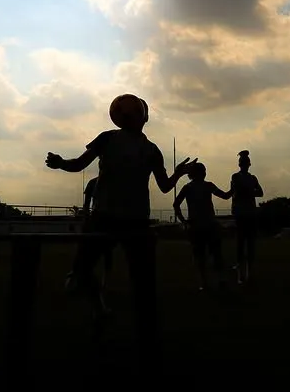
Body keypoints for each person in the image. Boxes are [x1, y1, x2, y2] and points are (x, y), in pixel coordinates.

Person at [45, 93, 195, 352]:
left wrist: (179, 173)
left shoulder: (150, 150)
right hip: (108, 218)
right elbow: (79, 164)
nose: (128, 117)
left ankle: (137, 329)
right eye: (126, 113)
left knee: (139, 280)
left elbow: (163, 185)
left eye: (131, 112)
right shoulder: (111, 140)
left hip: (130, 220)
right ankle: (105, 311)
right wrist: (61, 164)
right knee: (85, 272)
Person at [174, 162, 232, 290]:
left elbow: (176, 204)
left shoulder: (189, 187)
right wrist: (234, 188)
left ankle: (207, 282)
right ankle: (215, 280)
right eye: (203, 171)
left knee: (203, 255)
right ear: (197, 173)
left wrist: (183, 221)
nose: (205, 173)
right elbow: (226, 196)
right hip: (205, 224)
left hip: (200, 225)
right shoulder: (205, 186)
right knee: (212, 254)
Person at [66, 177, 114, 311]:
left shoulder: (100, 182)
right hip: (98, 223)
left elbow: (87, 206)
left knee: (101, 256)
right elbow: (87, 206)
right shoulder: (96, 183)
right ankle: (77, 281)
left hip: (104, 223)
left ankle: (97, 286)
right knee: (87, 257)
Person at [230, 150, 263, 284]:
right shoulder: (236, 177)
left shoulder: (252, 178)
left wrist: (248, 192)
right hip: (241, 213)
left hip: (249, 213)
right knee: (241, 244)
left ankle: (247, 273)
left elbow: (260, 192)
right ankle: (241, 274)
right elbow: (237, 191)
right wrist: (249, 192)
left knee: (248, 244)